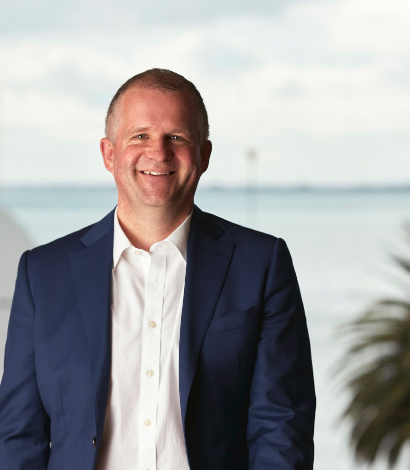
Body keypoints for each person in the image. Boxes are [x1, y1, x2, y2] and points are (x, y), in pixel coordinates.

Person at [0, 68, 315, 469]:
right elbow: (18, 436)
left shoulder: (261, 265)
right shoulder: (43, 274)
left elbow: (282, 429)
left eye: (177, 137)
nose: (159, 152)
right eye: (140, 136)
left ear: (204, 155)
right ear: (109, 154)